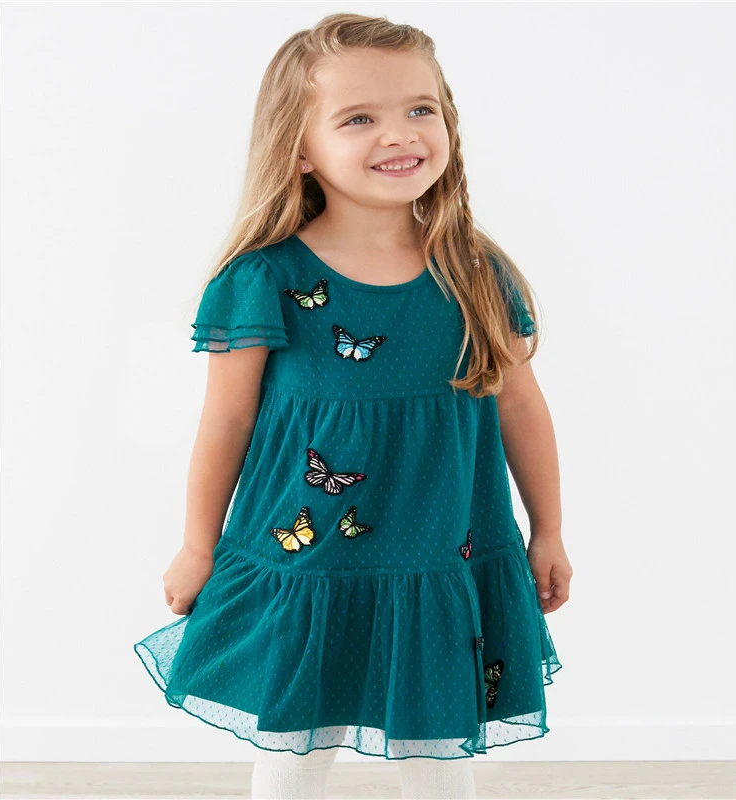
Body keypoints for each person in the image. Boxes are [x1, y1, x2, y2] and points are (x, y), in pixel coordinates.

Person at [133, 12, 572, 800]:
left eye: (419, 109)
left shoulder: (474, 272)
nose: (399, 134)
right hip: (314, 561)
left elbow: (521, 409)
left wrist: (549, 530)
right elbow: (227, 422)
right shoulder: (264, 279)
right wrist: (198, 546)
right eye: (359, 118)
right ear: (300, 148)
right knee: (294, 748)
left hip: (444, 557)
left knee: (442, 756)